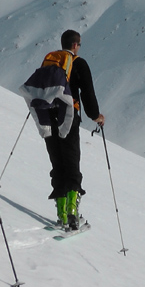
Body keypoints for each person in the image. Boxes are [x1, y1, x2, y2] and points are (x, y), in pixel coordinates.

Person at [44, 30, 105, 230]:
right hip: (68, 118)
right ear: (76, 45)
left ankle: (61, 213)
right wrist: (96, 116)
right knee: (71, 162)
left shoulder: (51, 61)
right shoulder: (78, 63)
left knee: (57, 162)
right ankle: (72, 212)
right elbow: (88, 93)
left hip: (47, 116)